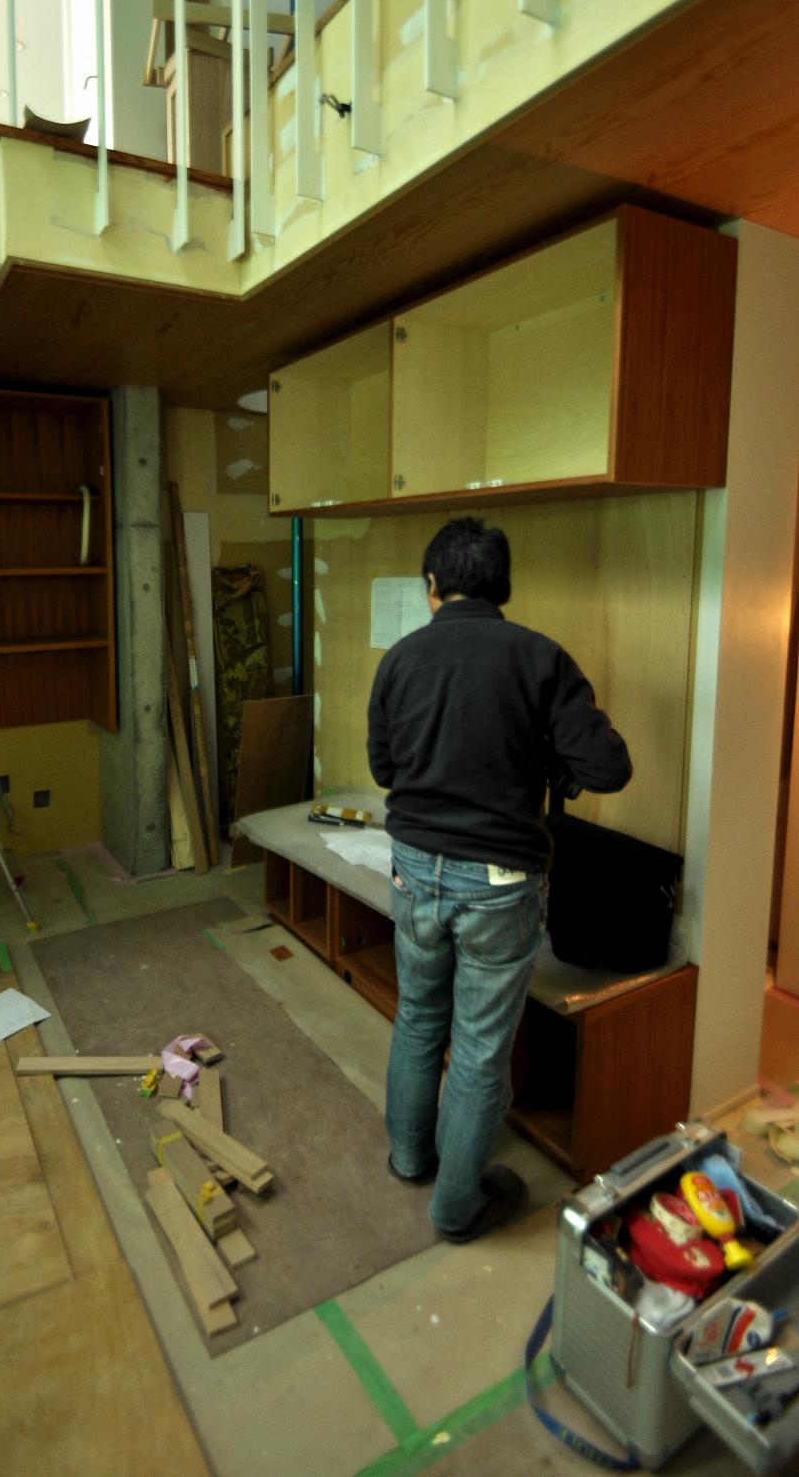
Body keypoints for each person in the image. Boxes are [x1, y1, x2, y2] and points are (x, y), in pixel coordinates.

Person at [366, 516, 632, 1243]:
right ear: (502, 586)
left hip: (413, 870)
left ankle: (409, 1158)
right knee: (480, 1048)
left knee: (418, 1016)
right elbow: (608, 767)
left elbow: (384, 769)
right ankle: (457, 1208)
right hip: (498, 881)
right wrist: (544, 757)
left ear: (432, 586)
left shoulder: (401, 660)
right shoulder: (541, 658)